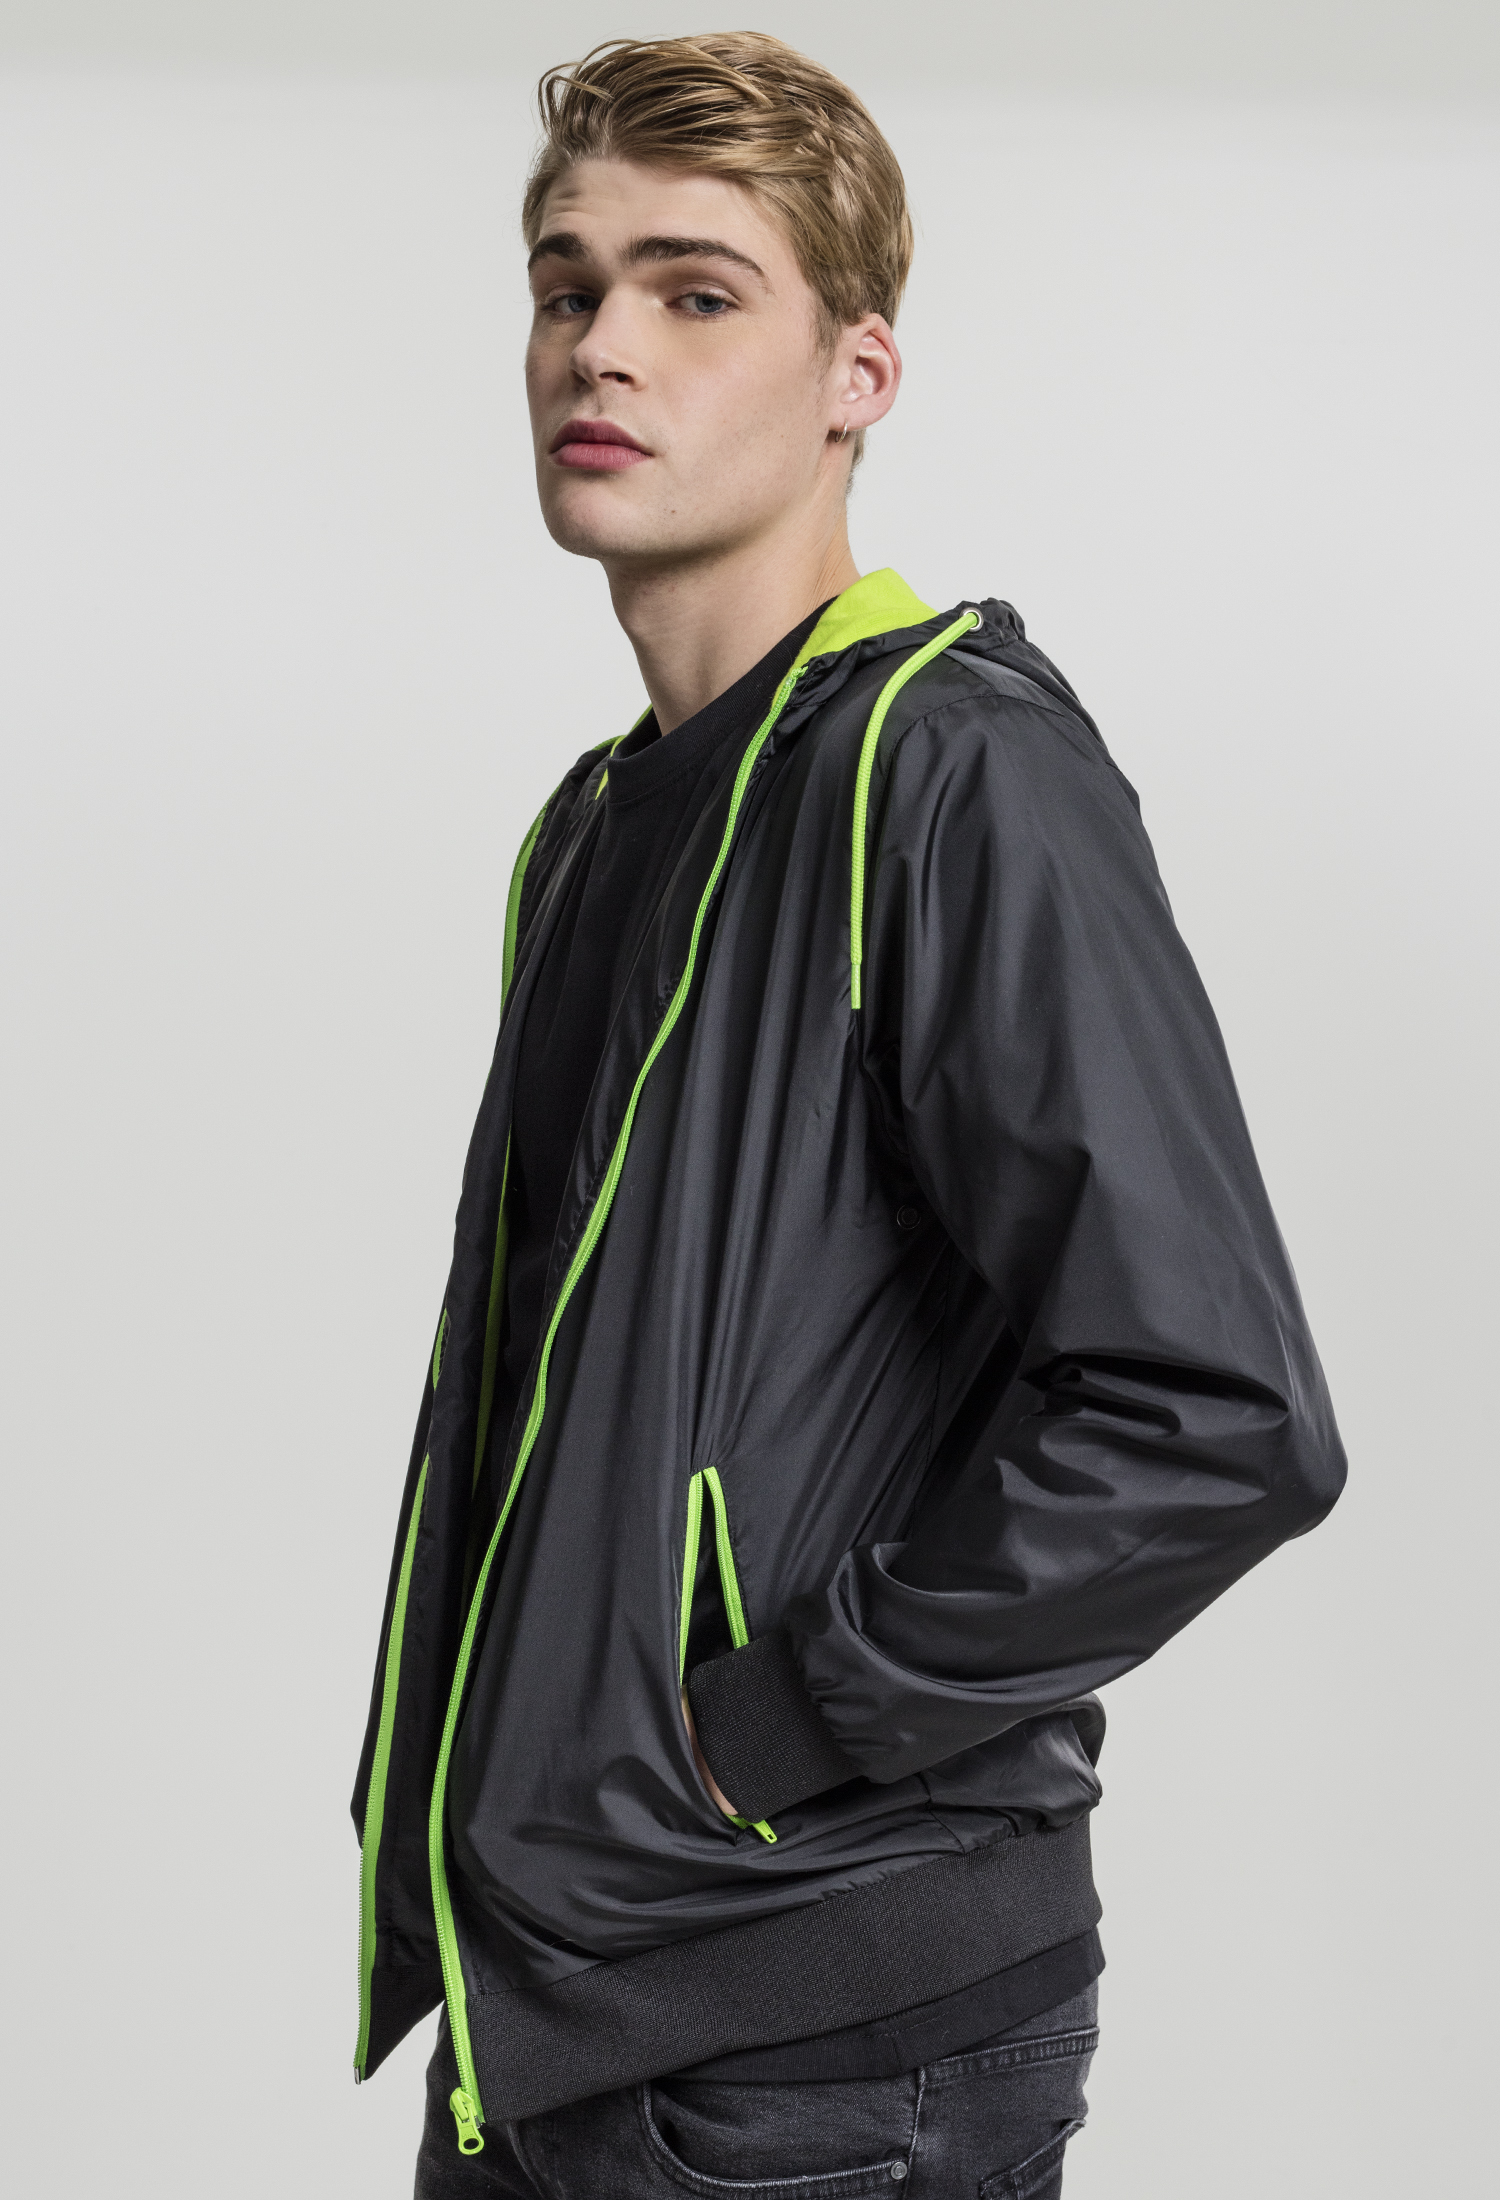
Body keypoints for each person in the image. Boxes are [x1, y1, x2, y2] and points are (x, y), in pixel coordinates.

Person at [350, 33, 1346, 2198]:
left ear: (857, 373)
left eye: (696, 292)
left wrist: (781, 1725)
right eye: (566, 285)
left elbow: (1218, 1410)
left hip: (814, 2053)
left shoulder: (954, 771)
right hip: (564, 2005)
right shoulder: (601, 821)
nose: (603, 344)